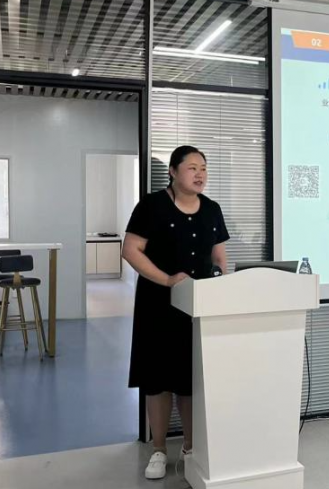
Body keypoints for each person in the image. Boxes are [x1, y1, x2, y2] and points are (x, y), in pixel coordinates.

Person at [123, 145, 229, 480]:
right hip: (157, 304)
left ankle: (189, 448)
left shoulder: (211, 209)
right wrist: (167, 279)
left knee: (189, 381)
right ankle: (158, 450)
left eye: (204, 168)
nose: (200, 174)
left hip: (197, 307)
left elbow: (219, 258)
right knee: (157, 381)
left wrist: (221, 286)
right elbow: (131, 250)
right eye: (192, 167)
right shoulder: (151, 206)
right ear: (172, 171)